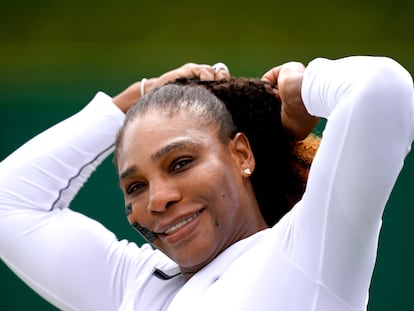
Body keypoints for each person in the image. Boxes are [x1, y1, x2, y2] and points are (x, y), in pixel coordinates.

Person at [0, 56, 413, 311]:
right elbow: (8, 204)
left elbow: (382, 88)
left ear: (241, 155)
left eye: (180, 163)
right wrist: (134, 100)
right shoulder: (139, 287)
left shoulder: (308, 253)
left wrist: (299, 90)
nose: (157, 199)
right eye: (136, 187)